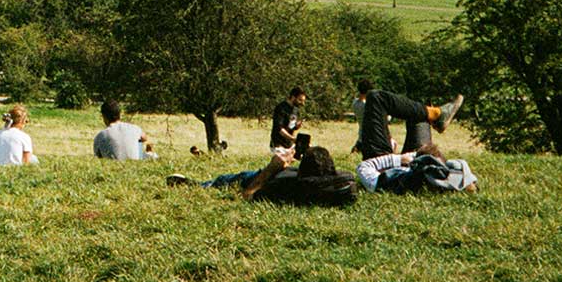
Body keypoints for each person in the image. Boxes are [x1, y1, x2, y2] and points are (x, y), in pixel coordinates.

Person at [171, 145, 357, 207]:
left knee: (223, 180)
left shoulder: (286, 188)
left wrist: (271, 168)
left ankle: (195, 185)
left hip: (260, 177)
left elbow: (247, 195)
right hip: (286, 173)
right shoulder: (342, 184)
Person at [355, 79, 464, 160]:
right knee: (376, 97)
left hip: (384, 164)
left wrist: (397, 160)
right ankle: (436, 114)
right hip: (408, 163)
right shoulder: (425, 173)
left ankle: (435, 114)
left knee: (414, 111)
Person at [356, 143, 478, 194]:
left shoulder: (390, 181)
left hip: (409, 163)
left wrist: (399, 159)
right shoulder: (456, 174)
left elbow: (363, 166)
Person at [270, 87, 306, 152]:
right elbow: (279, 129)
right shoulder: (281, 108)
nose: (302, 103)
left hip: (289, 144)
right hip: (278, 145)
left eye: (303, 101)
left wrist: (296, 126)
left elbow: (290, 126)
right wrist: (293, 139)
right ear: (293, 97)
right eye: (300, 100)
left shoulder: (296, 109)